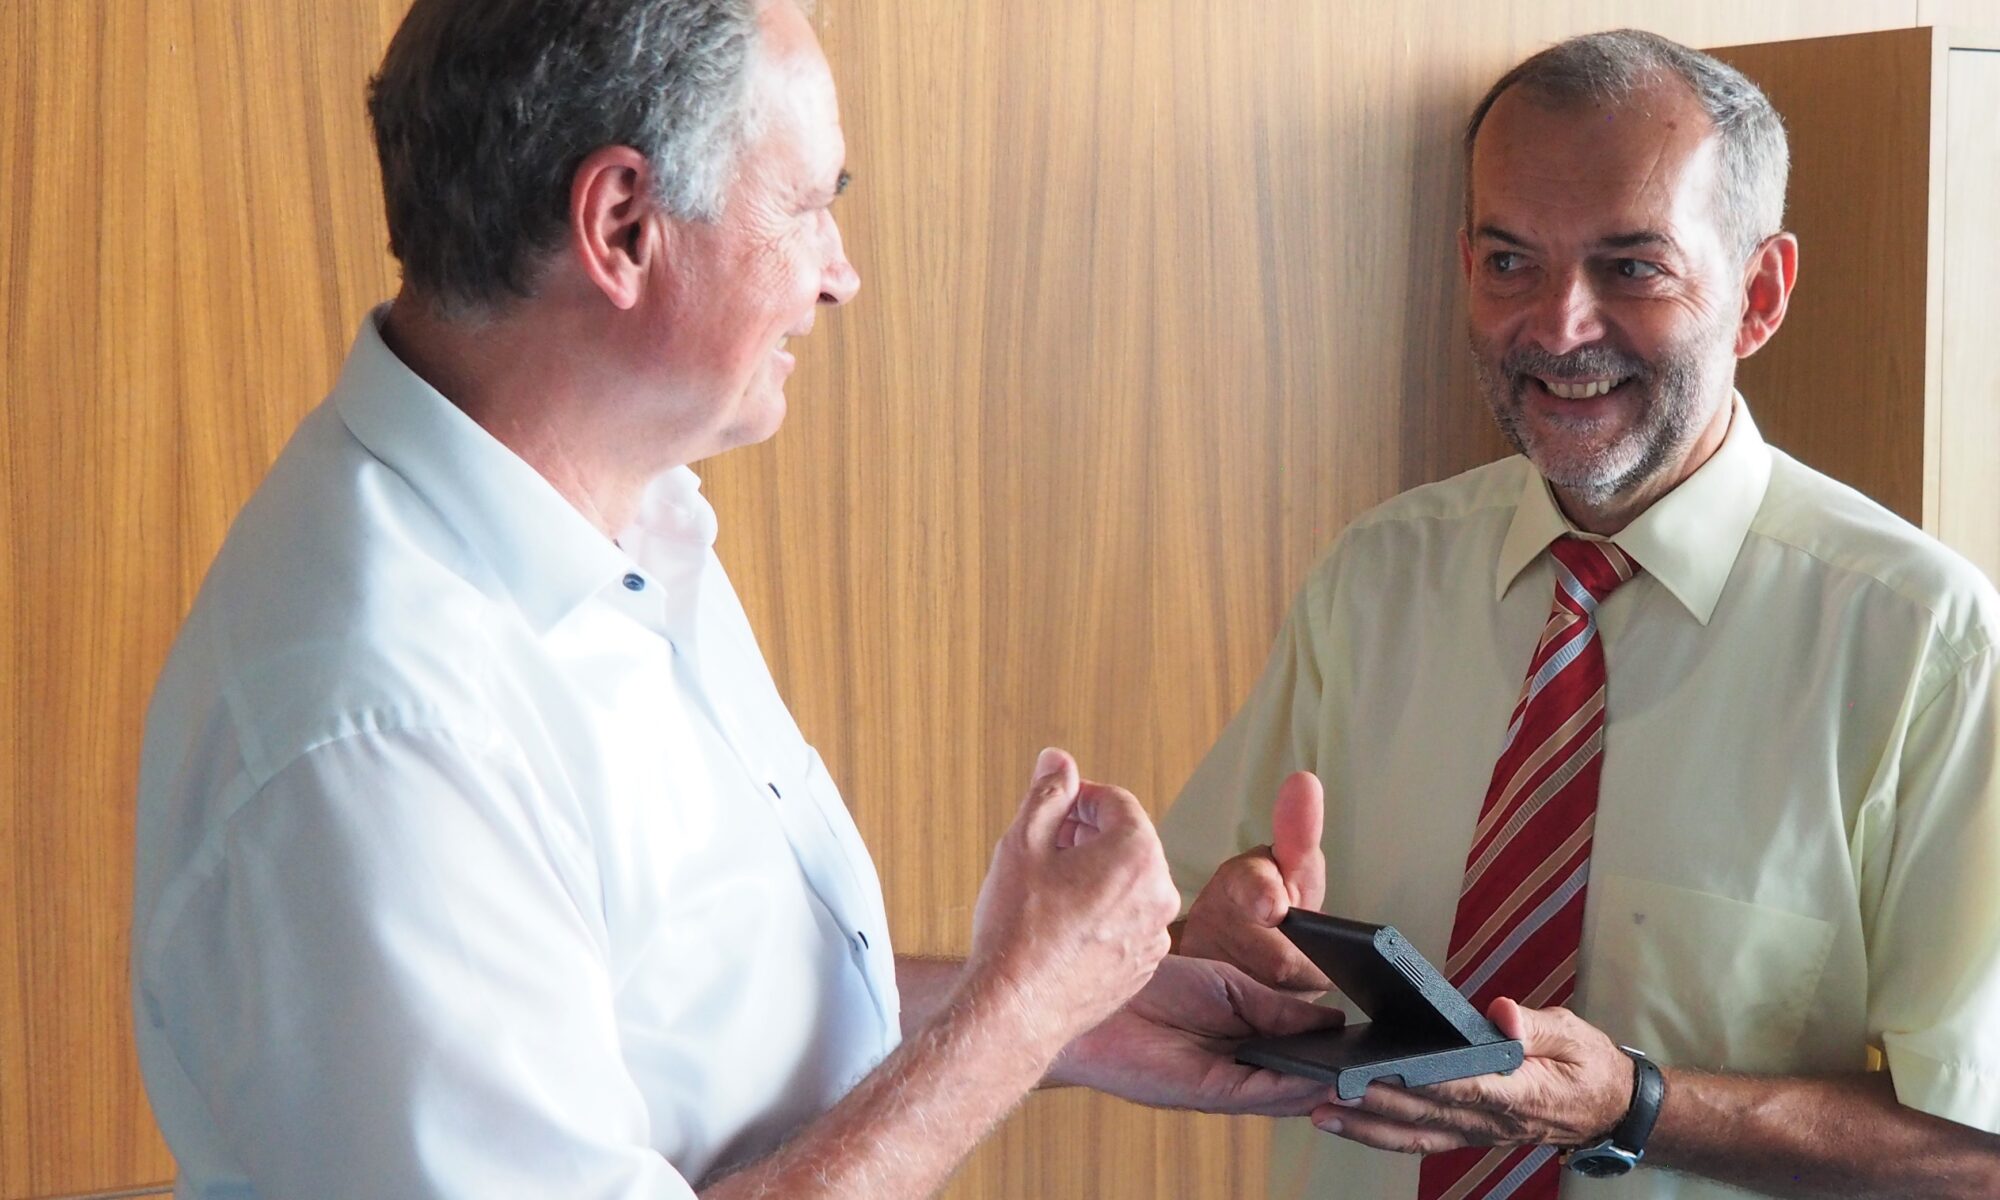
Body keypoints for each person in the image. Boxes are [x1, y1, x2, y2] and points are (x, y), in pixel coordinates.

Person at [129, 2, 1340, 1196]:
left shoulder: (621, 523)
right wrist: (1017, 1016)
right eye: (810, 204)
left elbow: (681, 1029)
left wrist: (1072, 1005)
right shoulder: (382, 728)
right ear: (622, 225)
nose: (841, 275)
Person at [1161, 28, 2000, 1200]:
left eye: (1630, 266)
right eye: (1509, 261)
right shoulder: (1375, 579)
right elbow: (1186, 931)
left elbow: (1972, 1155)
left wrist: (1630, 1106)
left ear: (1757, 295)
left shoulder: (1925, 643)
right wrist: (1221, 932)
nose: (1556, 327)